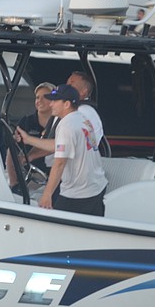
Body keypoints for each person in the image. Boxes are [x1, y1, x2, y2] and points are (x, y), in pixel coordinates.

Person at [18, 84, 108, 216]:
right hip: (96, 187)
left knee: (54, 229)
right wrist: (28, 139)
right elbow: (59, 144)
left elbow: (59, 164)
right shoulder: (81, 119)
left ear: (66, 104)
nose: (51, 104)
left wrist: (47, 195)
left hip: (79, 194)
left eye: (55, 101)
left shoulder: (67, 125)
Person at [6, 82, 55, 189]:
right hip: (28, 177)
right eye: (37, 97)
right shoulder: (26, 122)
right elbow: (12, 150)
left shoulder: (62, 123)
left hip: (55, 179)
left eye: (45, 97)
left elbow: (60, 146)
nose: (39, 101)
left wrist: (31, 156)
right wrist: (13, 180)